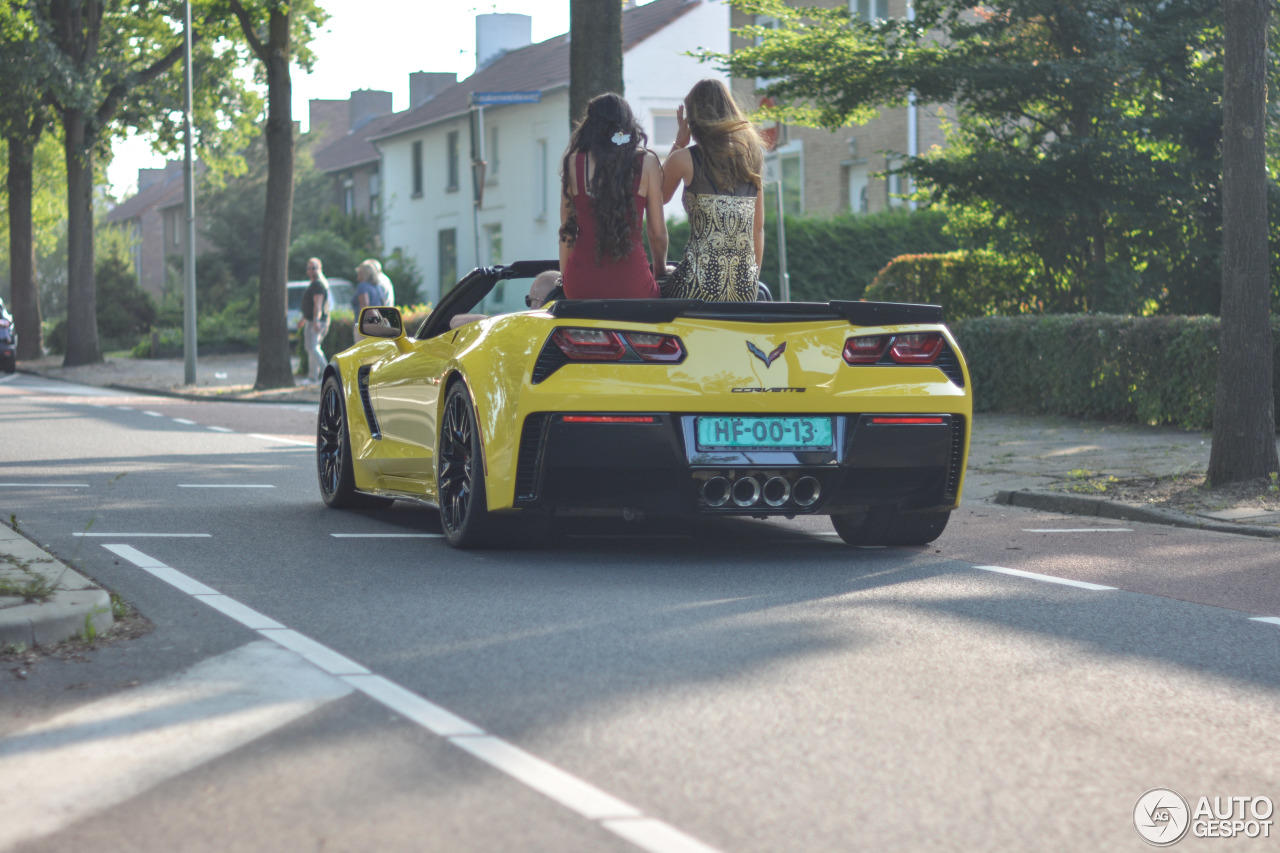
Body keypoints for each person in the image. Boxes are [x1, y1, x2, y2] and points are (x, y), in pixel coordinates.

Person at [660, 79, 766, 302]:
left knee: (657, 291)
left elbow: (658, 197)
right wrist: (750, 283)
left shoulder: (683, 158)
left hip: (696, 286)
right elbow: (758, 229)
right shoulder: (751, 158)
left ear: (693, 120)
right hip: (744, 289)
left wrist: (678, 143)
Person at [559, 93, 666, 300]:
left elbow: (567, 232)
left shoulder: (573, 164)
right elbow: (657, 234)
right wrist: (660, 270)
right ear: (627, 124)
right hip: (633, 283)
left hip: (580, 285)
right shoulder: (647, 162)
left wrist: (566, 279)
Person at [448, 270, 563, 329]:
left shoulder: (525, 329)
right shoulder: (575, 326)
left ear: (540, 301)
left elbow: (455, 322)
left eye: (530, 300)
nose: (530, 306)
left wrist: (493, 322)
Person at [299, 257, 330, 385]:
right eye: (309, 268)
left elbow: (318, 305)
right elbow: (309, 305)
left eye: (314, 267)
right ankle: (313, 377)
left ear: (319, 269)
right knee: (311, 348)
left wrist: (316, 320)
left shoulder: (318, 284)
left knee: (313, 348)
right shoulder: (314, 284)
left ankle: (328, 373)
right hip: (311, 320)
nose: (311, 270)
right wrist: (303, 319)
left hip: (316, 321)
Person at [352, 259, 396, 344]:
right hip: (378, 324)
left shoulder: (362, 286)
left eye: (359, 272)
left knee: (362, 352)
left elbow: (364, 306)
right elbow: (383, 305)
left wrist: (360, 325)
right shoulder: (378, 287)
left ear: (363, 273)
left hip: (364, 325)